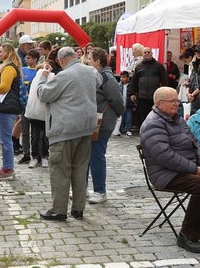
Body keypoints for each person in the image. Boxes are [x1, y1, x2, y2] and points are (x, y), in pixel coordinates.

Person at [140, 86, 200, 253]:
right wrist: (195, 169)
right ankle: (188, 234)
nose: (177, 103)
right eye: (173, 101)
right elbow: (165, 157)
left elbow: (196, 144)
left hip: (189, 168)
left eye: (177, 100)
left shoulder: (177, 120)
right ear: (159, 103)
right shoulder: (153, 124)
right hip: (166, 174)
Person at [37, 47, 102, 221]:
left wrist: (43, 77)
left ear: (61, 60)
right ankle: (78, 209)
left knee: (60, 170)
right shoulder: (91, 71)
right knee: (80, 170)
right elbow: (99, 81)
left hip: (65, 130)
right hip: (86, 128)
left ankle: (59, 210)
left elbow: (43, 94)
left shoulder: (64, 75)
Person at [88, 49, 125, 204]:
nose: (87, 60)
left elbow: (117, 100)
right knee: (87, 156)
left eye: (90, 58)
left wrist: (116, 114)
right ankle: (84, 189)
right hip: (95, 121)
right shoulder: (97, 75)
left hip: (102, 122)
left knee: (96, 156)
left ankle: (100, 191)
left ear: (98, 61)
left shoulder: (106, 77)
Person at [0, 43, 24, 180]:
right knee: (4, 139)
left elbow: (4, 87)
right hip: (4, 106)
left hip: (5, 107)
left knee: (5, 140)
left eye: (0, 51)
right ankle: (7, 167)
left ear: (7, 52)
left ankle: (8, 169)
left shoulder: (8, 67)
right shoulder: (6, 66)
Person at [130, 47, 168, 128]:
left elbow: (164, 80)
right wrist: (132, 93)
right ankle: (144, 130)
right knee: (143, 115)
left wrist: (165, 93)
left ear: (152, 54)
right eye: (145, 52)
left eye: (148, 52)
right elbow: (134, 81)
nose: (147, 53)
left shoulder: (159, 66)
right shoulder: (139, 66)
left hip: (154, 97)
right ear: (142, 54)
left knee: (155, 115)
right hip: (142, 97)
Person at [17, 49, 40, 164]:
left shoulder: (38, 71)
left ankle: (38, 154)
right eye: (26, 58)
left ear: (35, 59)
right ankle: (26, 153)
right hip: (24, 105)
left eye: (29, 58)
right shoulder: (22, 70)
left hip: (36, 105)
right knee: (24, 130)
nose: (26, 60)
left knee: (36, 132)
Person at [116, 71, 134, 136]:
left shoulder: (131, 86)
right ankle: (120, 129)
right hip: (121, 105)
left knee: (128, 118)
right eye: (121, 77)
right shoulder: (119, 85)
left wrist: (134, 105)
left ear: (128, 78)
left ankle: (128, 129)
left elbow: (133, 95)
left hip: (128, 105)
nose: (121, 79)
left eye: (124, 77)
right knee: (121, 118)